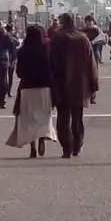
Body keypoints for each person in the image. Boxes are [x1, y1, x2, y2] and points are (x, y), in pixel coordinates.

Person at [47, 13, 99, 158]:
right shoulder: (82, 38)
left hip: (60, 84)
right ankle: (77, 144)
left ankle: (66, 148)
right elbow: (91, 63)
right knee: (77, 117)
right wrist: (94, 85)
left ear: (62, 23)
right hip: (80, 85)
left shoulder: (56, 39)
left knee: (63, 117)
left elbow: (50, 62)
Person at [6, 24, 57, 158]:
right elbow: (53, 68)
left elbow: (19, 72)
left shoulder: (23, 51)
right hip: (44, 88)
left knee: (28, 119)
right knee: (43, 117)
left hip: (27, 89)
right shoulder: (47, 49)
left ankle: (32, 146)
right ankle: (41, 138)